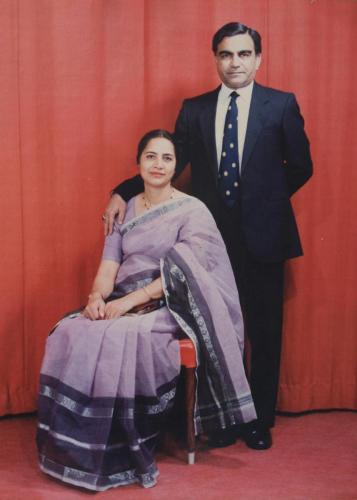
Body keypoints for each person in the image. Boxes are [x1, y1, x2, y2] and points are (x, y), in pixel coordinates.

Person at [104, 22, 313, 450]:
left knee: (263, 327)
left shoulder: (281, 105)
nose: (234, 63)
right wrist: (120, 192)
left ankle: (259, 420)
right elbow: (169, 163)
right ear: (215, 58)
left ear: (257, 58)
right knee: (214, 324)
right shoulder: (195, 109)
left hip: (263, 236)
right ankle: (221, 417)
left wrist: (264, 201)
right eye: (225, 54)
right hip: (206, 238)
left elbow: (302, 166)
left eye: (243, 54)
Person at [36, 129, 256, 491]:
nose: (158, 164)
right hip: (121, 296)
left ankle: (124, 446)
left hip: (171, 304)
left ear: (175, 167)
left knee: (125, 333)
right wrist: (96, 297)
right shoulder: (125, 208)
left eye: (166, 158)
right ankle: (79, 448)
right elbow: (110, 265)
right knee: (72, 330)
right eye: (150, 156)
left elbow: (186, 272)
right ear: (138, 163)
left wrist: (125, 304)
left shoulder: (191, 210)